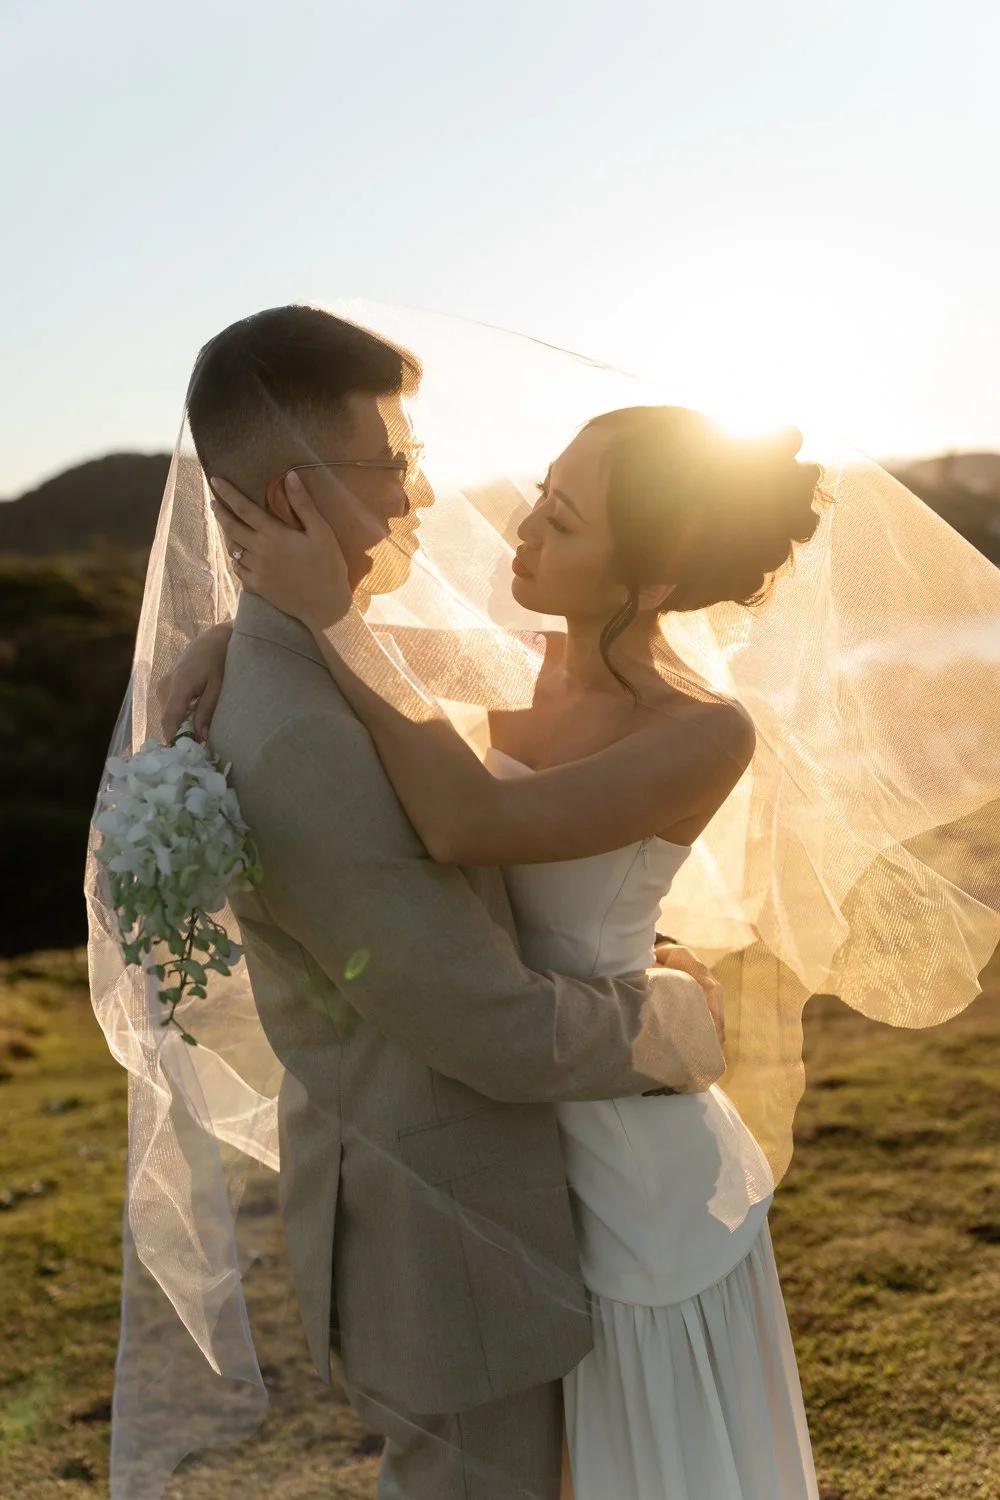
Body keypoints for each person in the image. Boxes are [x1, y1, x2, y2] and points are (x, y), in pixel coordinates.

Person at [163, 345, 823, 1498]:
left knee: (648, 1462)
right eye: (536, 496)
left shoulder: (704, 730)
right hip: (505, 1135)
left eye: (561, 523)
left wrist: (336, 619)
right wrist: (239, 634)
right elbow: (320, 660)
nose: (518, 535)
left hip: (631, 1151)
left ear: (653, 576)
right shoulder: (509, 661)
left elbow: (467, 822)